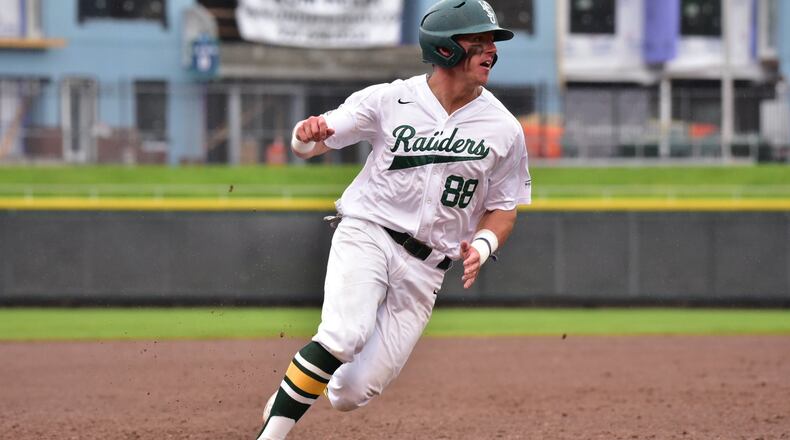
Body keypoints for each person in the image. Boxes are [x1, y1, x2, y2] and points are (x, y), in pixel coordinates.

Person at [254, 1, 531, 438]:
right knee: (342, 336)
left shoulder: (504, 128)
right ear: (444, 50)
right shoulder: (390, 99)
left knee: (349, 393)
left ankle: (291, 394)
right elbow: (313, 143)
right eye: (477, 42)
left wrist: (483, 245)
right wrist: (304, 137)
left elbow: (506, 206)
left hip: (427, 269)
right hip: (369, 233)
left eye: (491, 42)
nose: (490, 51)